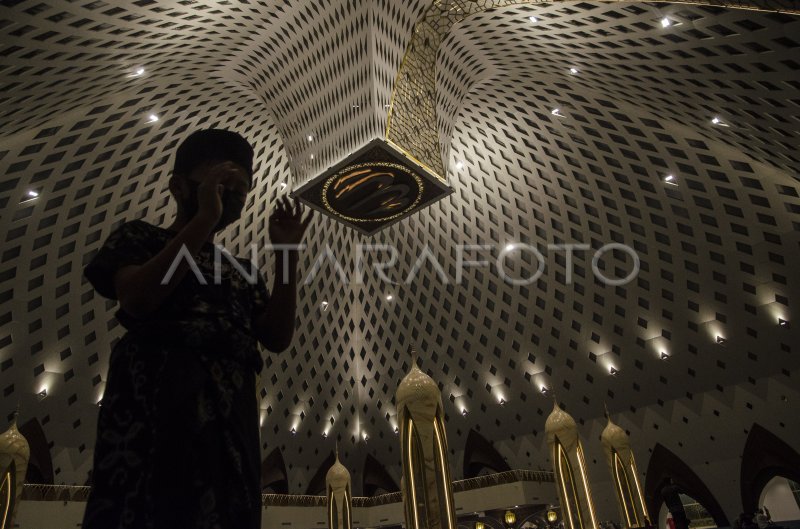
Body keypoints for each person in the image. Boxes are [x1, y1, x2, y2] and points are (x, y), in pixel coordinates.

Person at [81, 129, 312, 529]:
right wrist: (204, 220)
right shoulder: (140, 237)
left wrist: (287, 254)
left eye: (242, 188)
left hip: (230, 426)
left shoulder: (242, 271)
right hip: (155, 412)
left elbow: (276, 337)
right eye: (222, 183)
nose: (234, 196)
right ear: (178, 186)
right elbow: (138, 298)